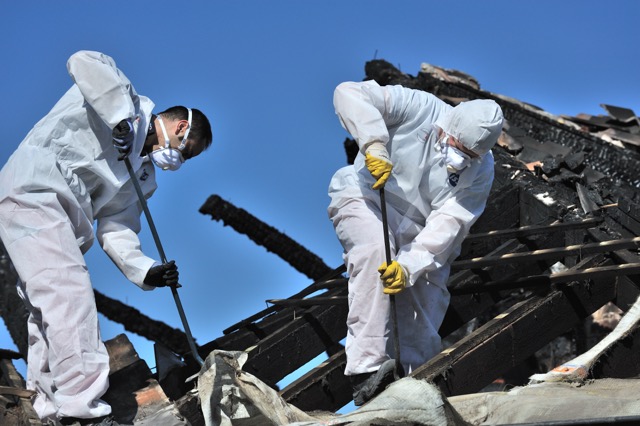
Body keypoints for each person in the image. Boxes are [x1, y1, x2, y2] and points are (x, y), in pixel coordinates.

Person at [0, 50, 213, 425]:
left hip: (61, 220)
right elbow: (83, 60)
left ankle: (48, 410)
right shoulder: (123, 100)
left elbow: (117, 227)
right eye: (187, 153)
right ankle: (82, 412)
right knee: (68, 295)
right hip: (34, 189)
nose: (179, 160)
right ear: (179, 127)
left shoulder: (143, 177)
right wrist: (118, 118)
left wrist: (146, 270)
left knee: (45, 310)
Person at [328, 79, 503, 405]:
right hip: (367, 198)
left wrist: (410, 267)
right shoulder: (418, 105)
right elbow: (347, 92)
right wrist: (374, 144)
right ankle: (366, 371)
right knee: (375, 254)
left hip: (421, 231)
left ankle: (414, 392)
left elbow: (451, 222)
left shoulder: (482, 169)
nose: (462, 160)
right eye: (459, 148)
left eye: (471, 155)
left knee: (425, 305)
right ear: (447, 127)